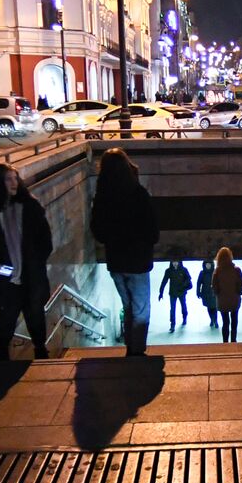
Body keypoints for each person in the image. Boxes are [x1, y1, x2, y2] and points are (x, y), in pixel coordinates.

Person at [0, 164, 54, 360]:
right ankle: (2, 352)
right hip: (6, 277)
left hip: (31, 274)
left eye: (16, 178)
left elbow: (45, 239)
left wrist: (36, 261)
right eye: (8, 179)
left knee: (35, 314)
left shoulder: (30, 206)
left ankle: (40, 349)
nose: (14, 183)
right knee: (7, 315)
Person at [91, 148, 159, 356]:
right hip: (138, 261)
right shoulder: (138, 194)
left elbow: (98, 231)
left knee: (128, 306)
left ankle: (131, 348)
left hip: (116, 261)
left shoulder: (102, 197)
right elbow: (152, 229)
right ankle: (137, 351)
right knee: (141, 309)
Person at [211, 246, 242, 343]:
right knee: (234, 321)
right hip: (234, 300)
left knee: (225, 322)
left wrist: (218, 294)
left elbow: (214, 286)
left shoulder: (217, 271)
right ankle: (233, 341)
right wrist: (238, 293)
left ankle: (225, 343)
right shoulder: (236, 270)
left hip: (222, 301)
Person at [158, 258, 192, 332]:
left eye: (176, 261)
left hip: (182, 292)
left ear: (179, 262)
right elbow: (164, 281)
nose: (175, 263)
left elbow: (189, 278)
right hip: (173, 293)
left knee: (183, 306)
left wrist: (183, 285)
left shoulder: (183, 270)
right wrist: (161, 292)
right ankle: (172, 325)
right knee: (172, 309)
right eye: (173, 262)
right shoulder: (169, 271)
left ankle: (184, 317)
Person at [195, 258, 218, 329]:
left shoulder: (215, 272)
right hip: (205, 293)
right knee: (209, 308)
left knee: (214, 308)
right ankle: (212, 319)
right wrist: (198, 292)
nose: (208, 266)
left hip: (214, 294)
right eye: (206, 264)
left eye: (209, 264)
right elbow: (199, 283)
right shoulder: (202, 273)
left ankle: (215, 321)